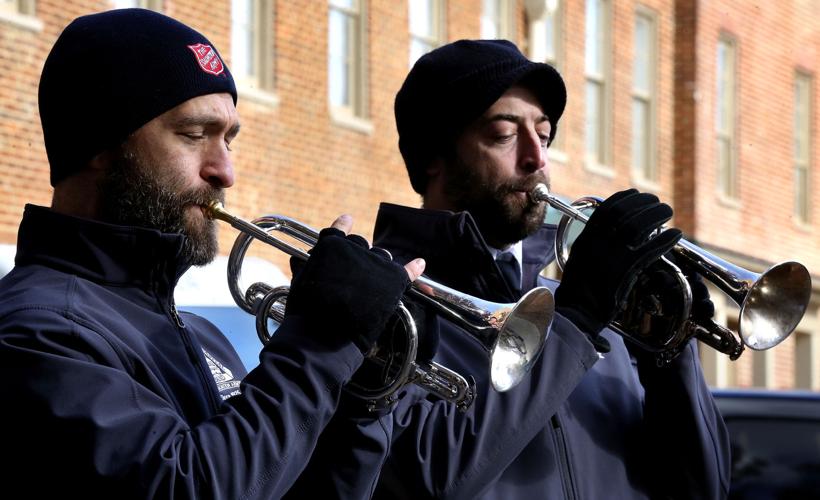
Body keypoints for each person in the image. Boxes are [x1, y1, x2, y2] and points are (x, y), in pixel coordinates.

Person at [0, 9, 424, 499]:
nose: (225, 172)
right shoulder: (36, 332)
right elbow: (189, 488)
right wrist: (322, 343)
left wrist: (355, 400)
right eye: (195, 134)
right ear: (101, 143)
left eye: (229, 139)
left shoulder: (201, 335)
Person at [365, 39, 731, 499]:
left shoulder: (592, 310)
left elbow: (704, 488)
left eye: (544, 134)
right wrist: (575, 319)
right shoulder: (385, 306)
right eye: (503, 134)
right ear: (434, 158)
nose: (537, 159)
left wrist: (671, 359)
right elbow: (429, 478)